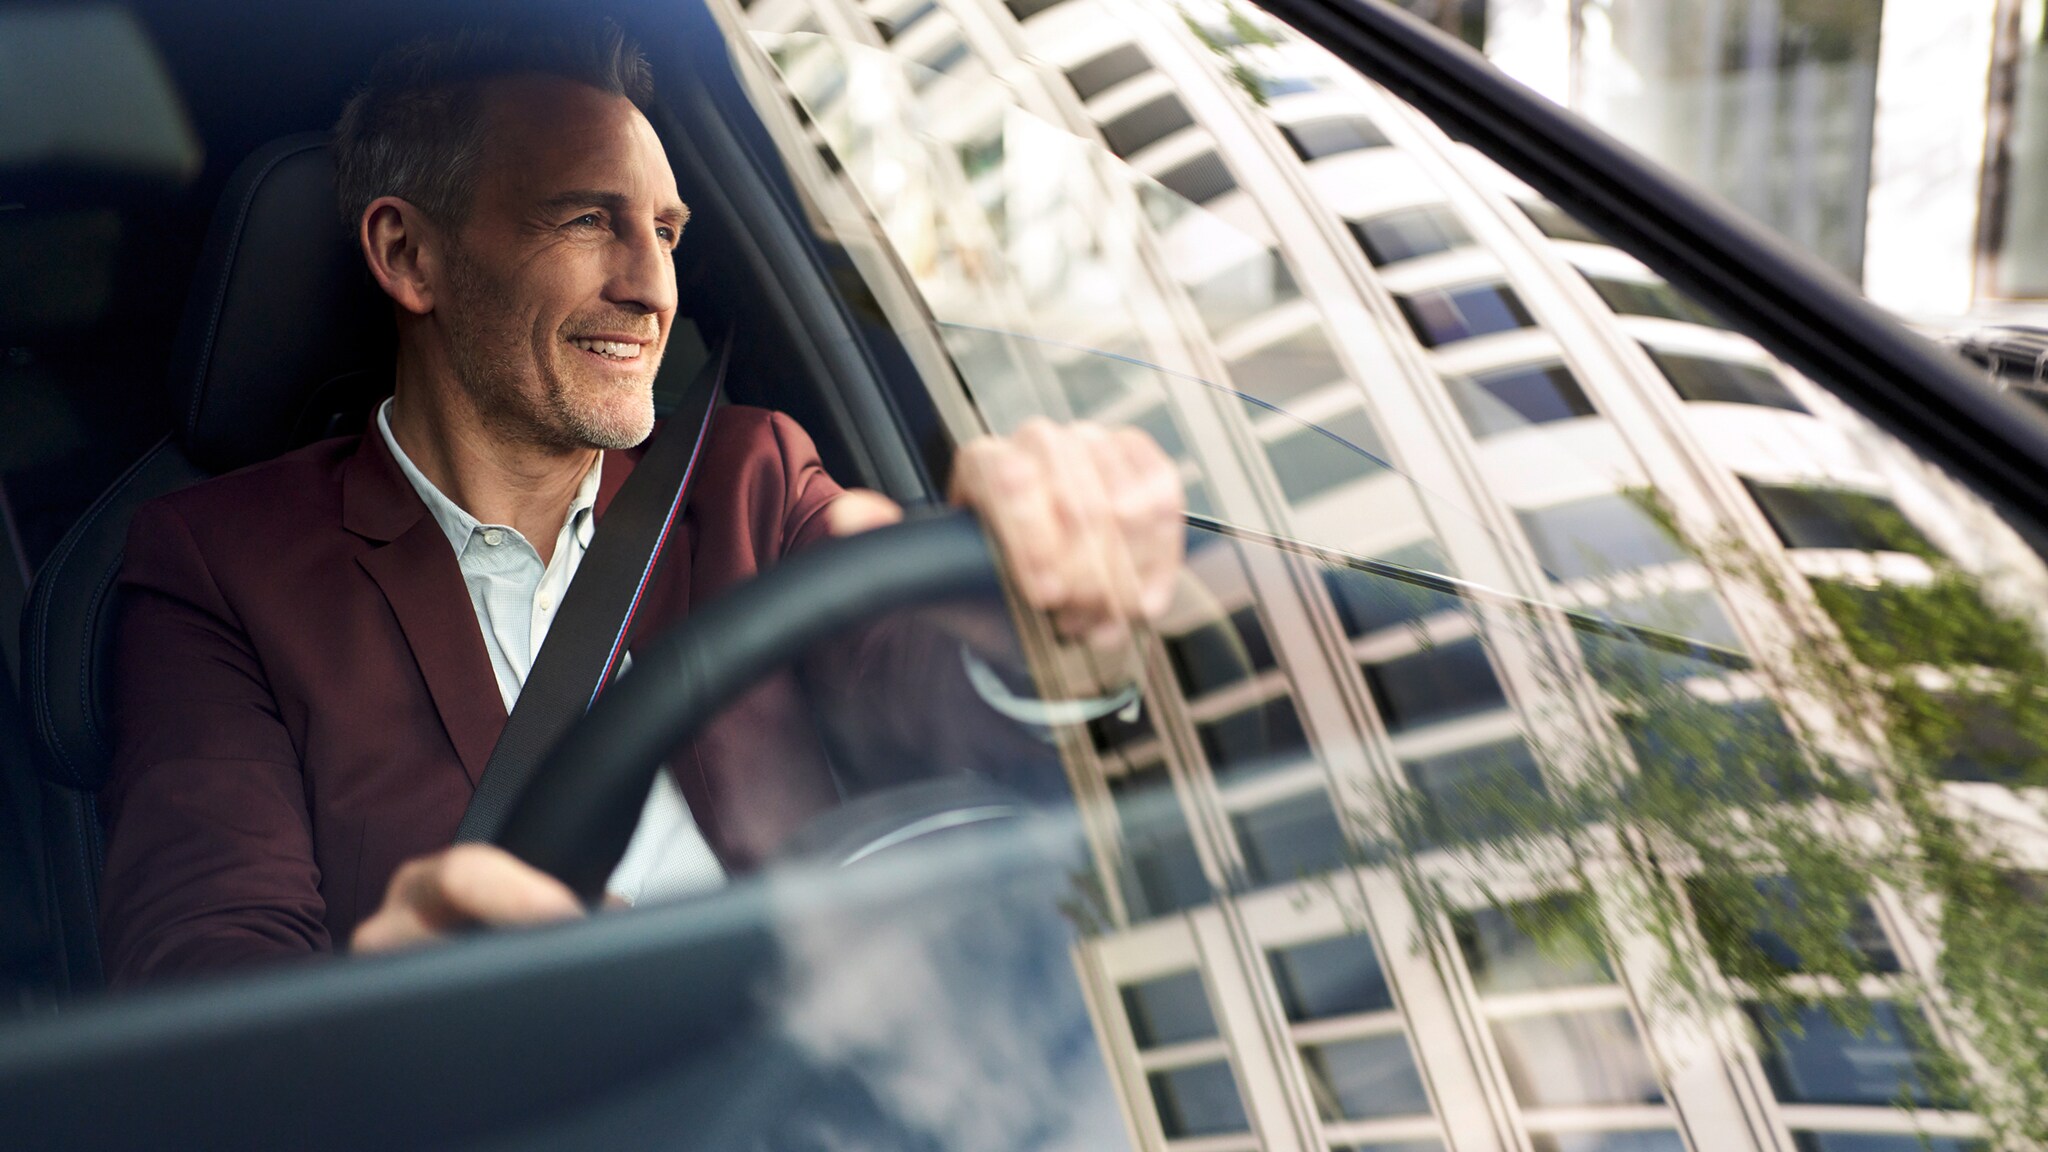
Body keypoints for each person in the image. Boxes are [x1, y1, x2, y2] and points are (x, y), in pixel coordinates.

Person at [96, 23, 1184, 985]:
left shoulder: (751, 475)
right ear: (408, 253)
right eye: (585, 218)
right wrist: (407, 1024)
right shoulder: (219, 565)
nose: (653, 287)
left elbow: (938, 699)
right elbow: (206, 976)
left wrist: (1051, 631)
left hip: (843, 1074)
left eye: (665, 232)